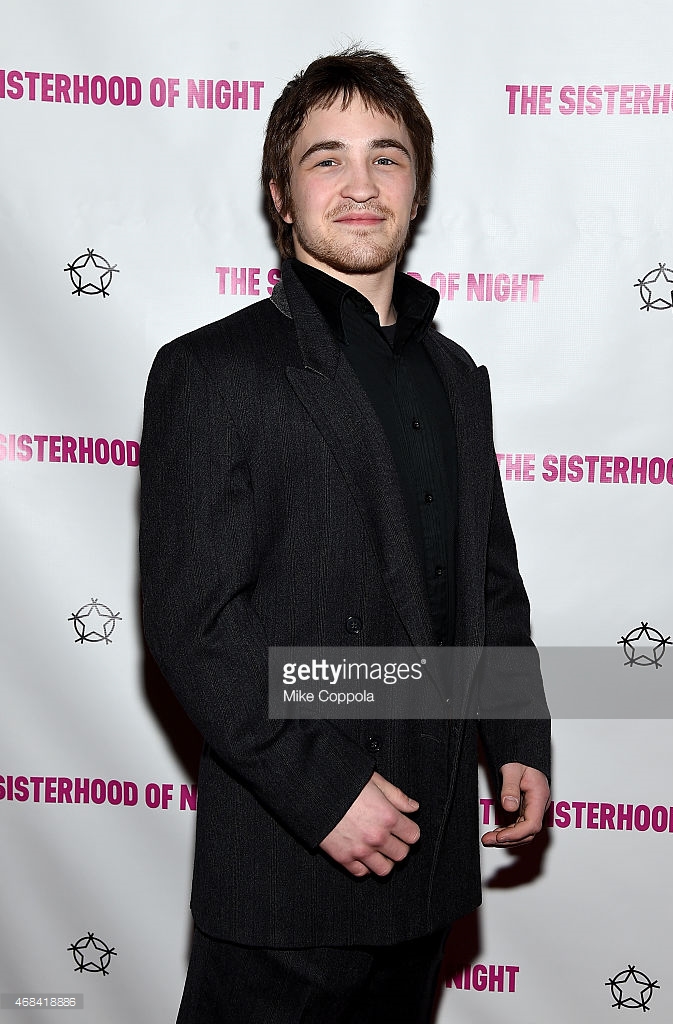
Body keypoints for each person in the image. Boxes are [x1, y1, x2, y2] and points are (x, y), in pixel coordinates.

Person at [139, 47, 551, 1024]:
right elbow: (194, 623)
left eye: (386, 157)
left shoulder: (457, 378)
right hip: (287, 875)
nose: (359, 185)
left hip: (429, 857)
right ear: (281, 196)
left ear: (417, 189)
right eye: (326, 159)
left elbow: (485, 581)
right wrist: (324, 793)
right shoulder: (210, 372)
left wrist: (516, 734)